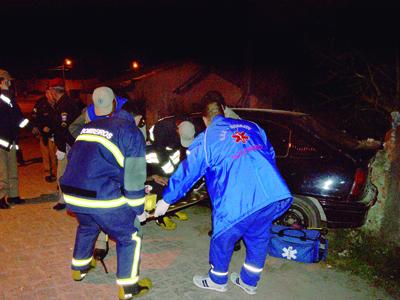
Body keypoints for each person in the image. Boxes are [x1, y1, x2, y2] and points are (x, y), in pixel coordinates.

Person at [154, 99, 293, 295]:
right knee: (258, 237)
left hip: (236, 199)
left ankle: (217, 280)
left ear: (204, 119)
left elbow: (188, 172)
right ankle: (249, 282)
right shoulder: (252, 126)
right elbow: (270, 153)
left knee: (222, 239)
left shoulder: (206, 138)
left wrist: (166, 199)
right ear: (224, 113)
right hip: (270, 194)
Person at [60, 86, 151, 299]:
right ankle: (128, 288)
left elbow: (93, 162)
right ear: (136, 117)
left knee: (88, 225)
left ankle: (78, 269)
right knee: (130, 235)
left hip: (72, 193)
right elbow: (134, 176)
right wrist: (139, 208)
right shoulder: (130, 131)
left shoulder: (88, 127)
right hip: (99, 195)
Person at [147, 117, 195, 229]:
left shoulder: (188, 126)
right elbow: (160, 154)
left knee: (174, 177)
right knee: (162, 182)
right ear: (177, 130)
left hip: (170, 150)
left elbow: (182, 151)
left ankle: (171, 208)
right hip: (156, 153)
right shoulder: (163, 130)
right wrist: (168, 175)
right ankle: (161, 216)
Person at [47, 78, 81, 210]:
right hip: (72, 144)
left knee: (62, 173)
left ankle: (63, 200)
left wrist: (61, 148)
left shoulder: (64, 105)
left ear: (54, 91)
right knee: (72, 172)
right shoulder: (65, 102)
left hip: (68, 145)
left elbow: (64, 129)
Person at [0, 69, 29, 208]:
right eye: (8, 80)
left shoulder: (8, 97)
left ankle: (13, 195)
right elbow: (7, 110)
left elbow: (16, 116)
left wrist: (31, 127)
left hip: (10, 140)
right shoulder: (4, 97)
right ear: (3, 81)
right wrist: (4, 91)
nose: (10, 83)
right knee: (3, 171)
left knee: (12, 169)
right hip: (1, 141)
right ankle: (0, 198)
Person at [30, 89, 57, 182]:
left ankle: (55, 173)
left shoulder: (58, 102)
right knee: (46, 154)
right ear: (46, 94)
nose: (50, 95)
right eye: (48, 93)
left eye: (52, 92)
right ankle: (47, 173)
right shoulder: (40, 103)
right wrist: (40, 128)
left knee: (55, 155)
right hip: (44, 134)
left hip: (55, 134)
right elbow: (34, 117)